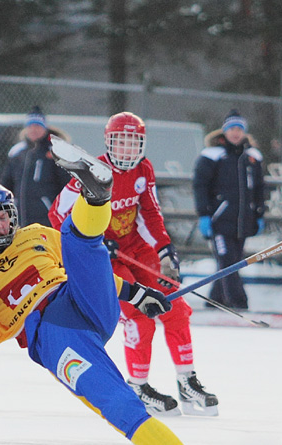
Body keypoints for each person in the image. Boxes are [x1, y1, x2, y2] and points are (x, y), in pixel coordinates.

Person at [0, 170, 225, 445]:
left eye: (3, 216)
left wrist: (135, 293)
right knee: (118, 404)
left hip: (79, 299)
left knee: (75, 236)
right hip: (52, 334)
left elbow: (86, 267)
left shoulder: (36, 235)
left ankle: (96, 195)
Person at [49, 112, 217, 417]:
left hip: (136, 249)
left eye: (133, 143)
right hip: (104, 258)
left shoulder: (144, 169)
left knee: (175, 306)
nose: (127, 150)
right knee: (140, 316)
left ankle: (187, 380)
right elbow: (57, 214)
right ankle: (138, 385)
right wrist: (92, 238)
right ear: (108, 142)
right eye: (121, 142)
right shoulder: (94, 171)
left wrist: (165, 249)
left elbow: (150, 212)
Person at [192, 109, 266, 310]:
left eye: (239, 129)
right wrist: (204, 215)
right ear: (224, 131)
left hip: (242, 222)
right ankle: (239, 303)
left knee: (232, 260)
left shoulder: (252, 158)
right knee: (229, 262)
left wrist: (259, 213)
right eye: (232, 128)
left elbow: (259, 188)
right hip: (219, 221)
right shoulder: (212, 156)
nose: (235, 133)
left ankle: (215, 301)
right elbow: (200, 186)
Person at [0, 106, 71, 227]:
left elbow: (66, 183)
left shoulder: (55, 151)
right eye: (30, 126)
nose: (34, 129)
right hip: (21, 216)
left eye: (37, 126)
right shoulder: (17, 152)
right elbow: (7, 182)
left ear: (45, 128)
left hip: (46, 217)